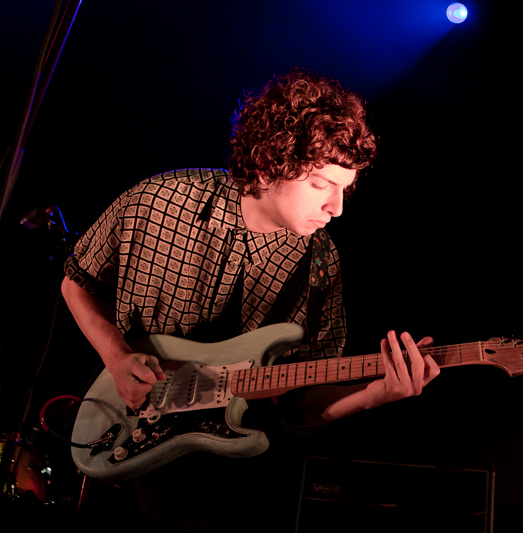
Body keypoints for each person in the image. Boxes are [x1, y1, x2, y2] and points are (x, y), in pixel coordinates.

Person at [60, 68, 440, 529]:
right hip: (121, 433)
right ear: (267, 165)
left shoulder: (321, 263)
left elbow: (301, 406)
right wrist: (117, 357)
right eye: (321, 184)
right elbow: (78, 282)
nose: (336, 208)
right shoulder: (158, 200)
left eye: (346, 188)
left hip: (225, 484)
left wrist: (376, 394)